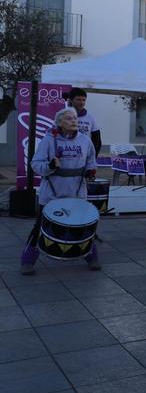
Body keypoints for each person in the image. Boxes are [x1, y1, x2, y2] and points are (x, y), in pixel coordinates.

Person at [20, 107, 99, 275]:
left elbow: (91, 160)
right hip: (51, 193)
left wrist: (91, 171)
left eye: (75, 118)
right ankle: (27, 260)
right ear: (59, 123)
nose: (74, 121)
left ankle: (91, 255)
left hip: (77, 192)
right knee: (40, 226)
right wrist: (49, 166)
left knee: (83, 226)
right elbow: (35, 164)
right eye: (69, 118)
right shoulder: (48, 141)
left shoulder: (85, 140)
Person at [69, 88, 101, 154]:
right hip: (67, 155)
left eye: (83, 100)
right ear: (71, 100)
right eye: (78, 100)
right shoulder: (62, 116)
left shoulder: (91, 118)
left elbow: (97, 141)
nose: (81, 103)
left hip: (84, 155)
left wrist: (93, 157)